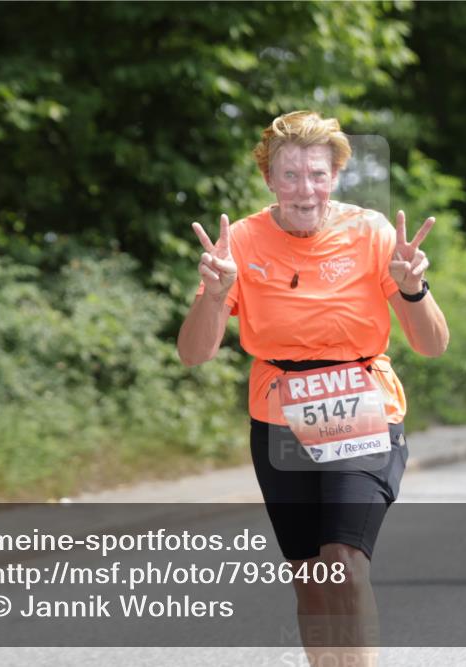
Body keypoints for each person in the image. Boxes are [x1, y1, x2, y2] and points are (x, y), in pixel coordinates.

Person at [177, 111, 449, 663]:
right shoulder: (243, 242)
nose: (306, 190)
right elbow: (193, 354)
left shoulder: (372, 234)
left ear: (336, 176)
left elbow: (432, 344)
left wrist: (414, 289)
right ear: (270, 180)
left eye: (318, 175)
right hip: (280, 419)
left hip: (364, 404)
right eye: (292, 175)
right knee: (310, 578)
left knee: (344, 562)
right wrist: (213, 294)